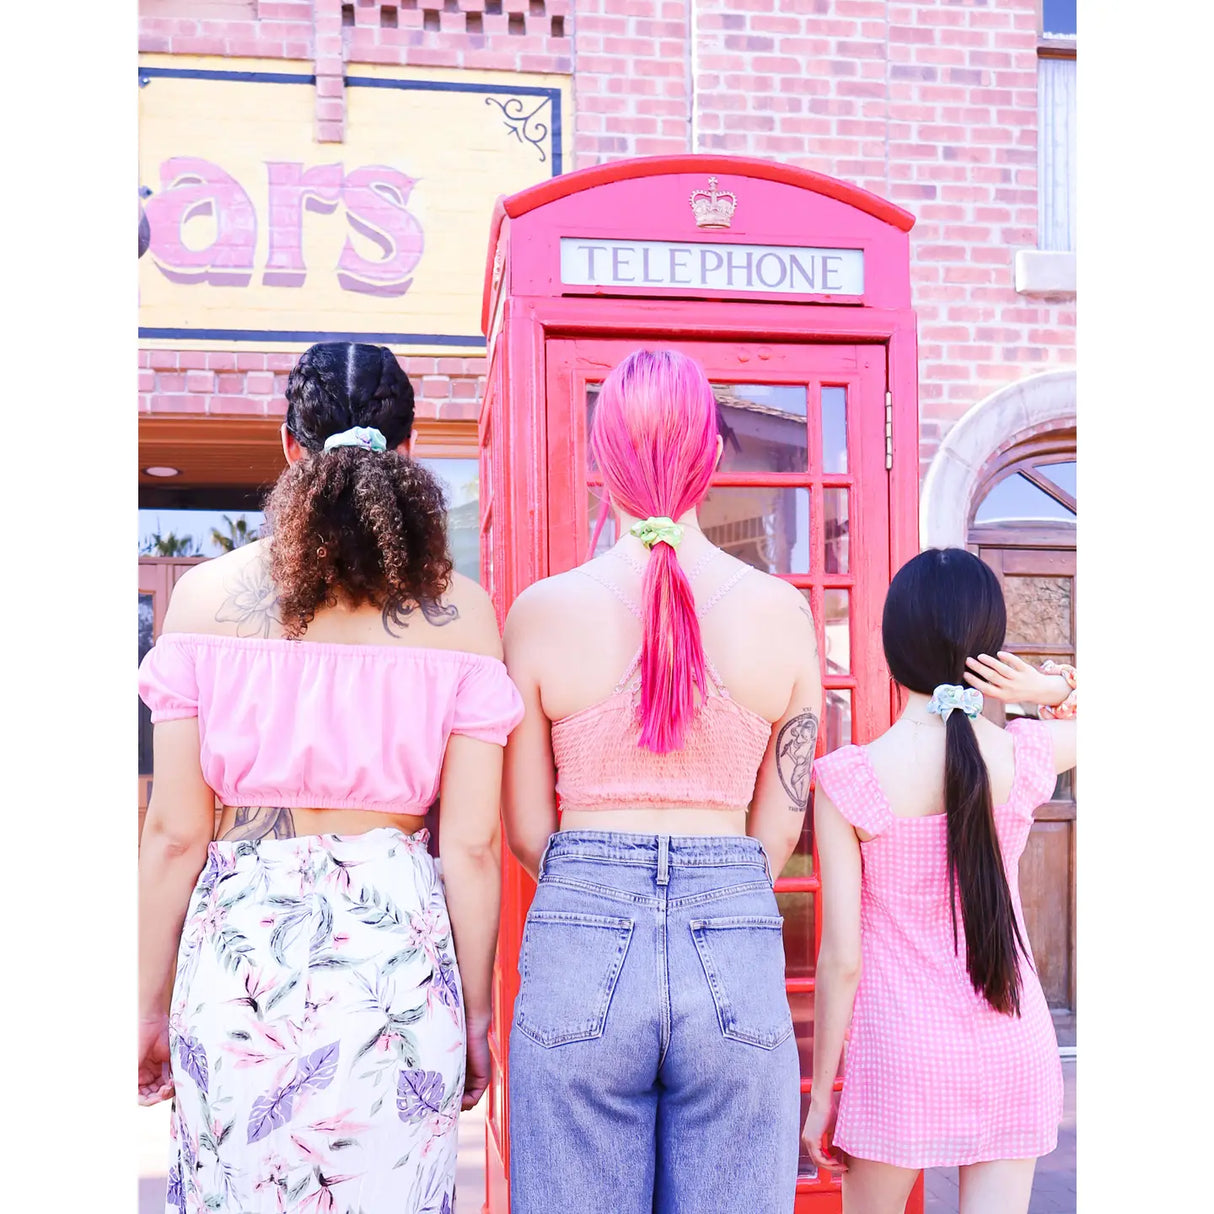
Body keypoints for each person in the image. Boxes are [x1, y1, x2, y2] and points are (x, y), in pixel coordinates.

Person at [136, 342, 522, 1214]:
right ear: (408, 452)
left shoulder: (202, 602)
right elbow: (469, 846)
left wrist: (146, 1005)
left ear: (289, 447)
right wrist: (476, 1014)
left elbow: (174, 835)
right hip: (396, 970)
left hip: (240, 968)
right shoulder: (463, 617)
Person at [501, 348, 824, 1213]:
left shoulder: (540, 612)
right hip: (734, 927)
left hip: (581, 925)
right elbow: (778, 831)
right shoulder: (784, 614)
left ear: (601, 460)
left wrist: (604, 884)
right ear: (711, 458)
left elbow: (528, 831)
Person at [803, 547, 1078, 1214]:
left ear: (893, 647)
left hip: (901, 1053)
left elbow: (841, 961)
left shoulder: (850, 778)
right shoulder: (1025, 753)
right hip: (1013, 1040)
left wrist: (821, 1097)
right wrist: (1053, 690)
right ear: (989, 648)